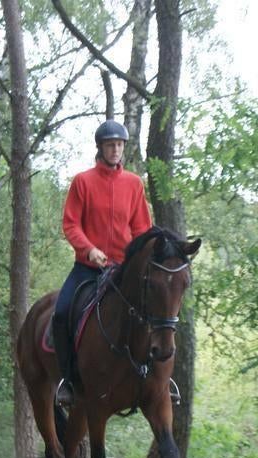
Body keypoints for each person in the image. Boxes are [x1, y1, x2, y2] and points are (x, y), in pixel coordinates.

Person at [53, 120, 152, 407]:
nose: (116, 149)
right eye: (110, 145)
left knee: (157, 312)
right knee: (61, 313)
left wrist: (138, 261)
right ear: (100, 147)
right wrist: (89, 250)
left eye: (119, 145)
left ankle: (159, 380)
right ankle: (68, 381)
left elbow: (142, 229)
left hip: (123, 270)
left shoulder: (134, 184)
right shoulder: (82, 182)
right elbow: (71, 224)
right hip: (88, 268)